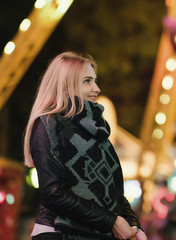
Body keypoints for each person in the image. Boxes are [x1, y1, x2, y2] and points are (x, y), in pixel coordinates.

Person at [23, 52, 147, 240]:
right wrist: (111, 221)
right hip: (57, 233)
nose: (96, 88)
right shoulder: (48, 124)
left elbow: (116, 194)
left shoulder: (99, 131)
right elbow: (54, 193)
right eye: (87, 81)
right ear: (64, 86)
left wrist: (135, 226)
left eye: (95, 81)